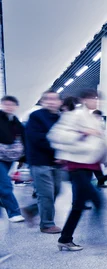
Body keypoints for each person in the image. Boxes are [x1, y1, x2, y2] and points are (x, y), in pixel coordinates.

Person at [48, 89, 107, 251]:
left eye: (97, 99)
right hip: (77, 166)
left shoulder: (94, 119)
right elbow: (55, 136)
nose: (96, 101)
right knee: (98, 200)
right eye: (93, 98)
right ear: (84, 100)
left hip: (89, 166)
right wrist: (83, 132)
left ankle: (65, 239)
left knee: (79, 205)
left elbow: (98, 143)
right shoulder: (73, 115)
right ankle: (99, 239)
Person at [22, 91, 63, 233]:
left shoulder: (60, 117)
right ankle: (47, 224)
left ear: (60, 102)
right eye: (48, 99)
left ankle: (31, 210)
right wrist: (57, 149)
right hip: (40, 161)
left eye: (54, 99)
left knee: (56, 191)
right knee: (46, 194)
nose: (51, 102)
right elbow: (37, 138)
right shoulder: (36, 116)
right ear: (43, 101)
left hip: (56, 162)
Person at [0, 95, 25, 222]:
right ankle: (14, 213)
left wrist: (23, 157)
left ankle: (3, 201)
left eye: (11, 105)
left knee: (2, 184)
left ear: (16, 107)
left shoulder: (15, 120)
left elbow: (23, 138)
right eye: (6, 104)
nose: (9, 107)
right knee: (5, 184)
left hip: (9, 158)